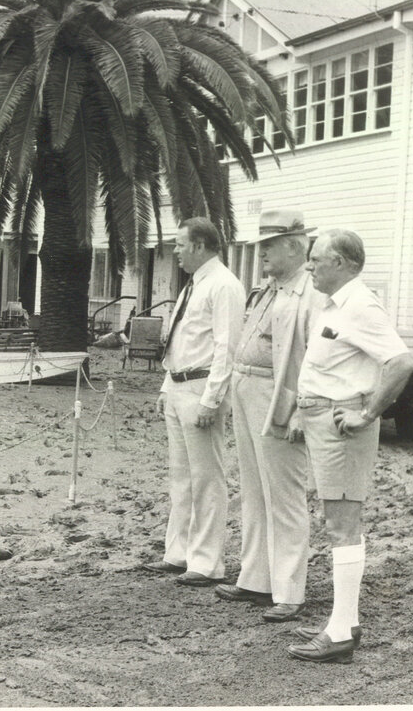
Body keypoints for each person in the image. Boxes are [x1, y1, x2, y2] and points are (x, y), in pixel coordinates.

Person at [286, 229, 413, 663]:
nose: (309, 266)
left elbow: (400, 363)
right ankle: (344, 621)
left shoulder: (361, 306)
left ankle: (340, 633)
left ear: (341, 262)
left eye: (316, 259)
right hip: (325, 423)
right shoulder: (334, 304)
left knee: (342, 526)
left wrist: (368, 413)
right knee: (337, 523)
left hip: (344, 428)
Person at [214, 209, 324, 622]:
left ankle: (290, 591)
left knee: (284, 495)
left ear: (295, 246)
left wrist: (299, 408)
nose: (262, 253)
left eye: (270, 246)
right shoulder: (268, 290)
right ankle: (256, 577)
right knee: (254, 489)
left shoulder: (311, 294)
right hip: (247, 389)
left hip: (278, 396)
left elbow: (315, 358)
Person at [143, 217, 245, 586]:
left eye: (181, 245)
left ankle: (206, 562)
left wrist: (212, 398)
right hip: (179, 387)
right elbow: (182, 340)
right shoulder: (193, 286)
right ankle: (179, 553)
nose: (176, 252)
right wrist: (165, 387)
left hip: (202, 389)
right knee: (181, 478)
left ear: (200, 245)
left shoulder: (224, 286)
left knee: (206, 479)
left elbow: (226, 347)